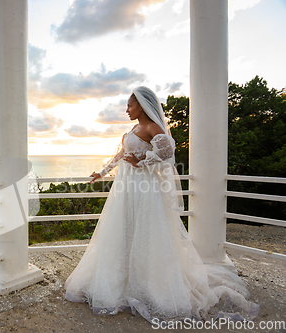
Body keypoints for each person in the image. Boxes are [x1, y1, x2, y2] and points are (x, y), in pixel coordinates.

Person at [64, 86, 258, 323]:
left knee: (147, 233)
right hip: (125, 189)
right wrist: (102, 173)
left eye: (130, 105)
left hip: (145, 190)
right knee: (124, 231)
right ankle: (123, 281)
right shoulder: (135, 128)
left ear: (142, 106)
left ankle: (149, 286)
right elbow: (120, 155)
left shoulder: (153, 128)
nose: (127, 110)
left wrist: (141, 161)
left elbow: (167, 152)